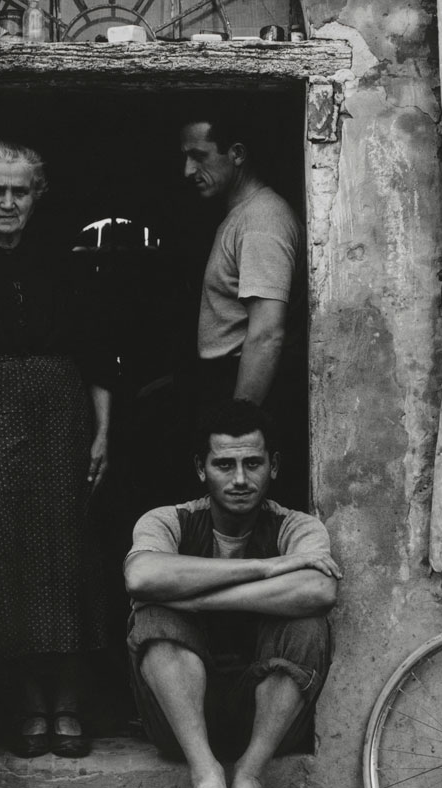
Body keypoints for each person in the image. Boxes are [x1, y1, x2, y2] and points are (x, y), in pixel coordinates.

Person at [0, 141, 113, 758]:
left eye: (20, 191)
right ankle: (28, 703)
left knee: (66, 556)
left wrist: (103, 430)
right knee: (2, 554)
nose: (8, 203)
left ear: (37, 196)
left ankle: (70, 701)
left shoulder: (68, 261)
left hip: (62, 415)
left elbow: (97, 349)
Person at [123, 399, 340, 788]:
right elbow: (143, 577)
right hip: (178, 719)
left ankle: (248, 775)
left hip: (269, 721)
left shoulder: (297, 527)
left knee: (308, 625)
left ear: (273, 466)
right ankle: (205, 774)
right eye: (224, 465)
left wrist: (198, 597)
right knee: (154, 619)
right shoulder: (170, 521)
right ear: (202, 470)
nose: (240, 479)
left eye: (253, 463)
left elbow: (319, 588)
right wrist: (264, 568)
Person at [180, 109, 305, 507]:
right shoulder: (242, 216)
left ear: (236, 153)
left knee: (242, 513)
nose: (188, 169)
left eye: (199, 156)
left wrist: (238, 428)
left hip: (244, 386)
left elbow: (267, 334)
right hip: (227, 384)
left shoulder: (261, 221)